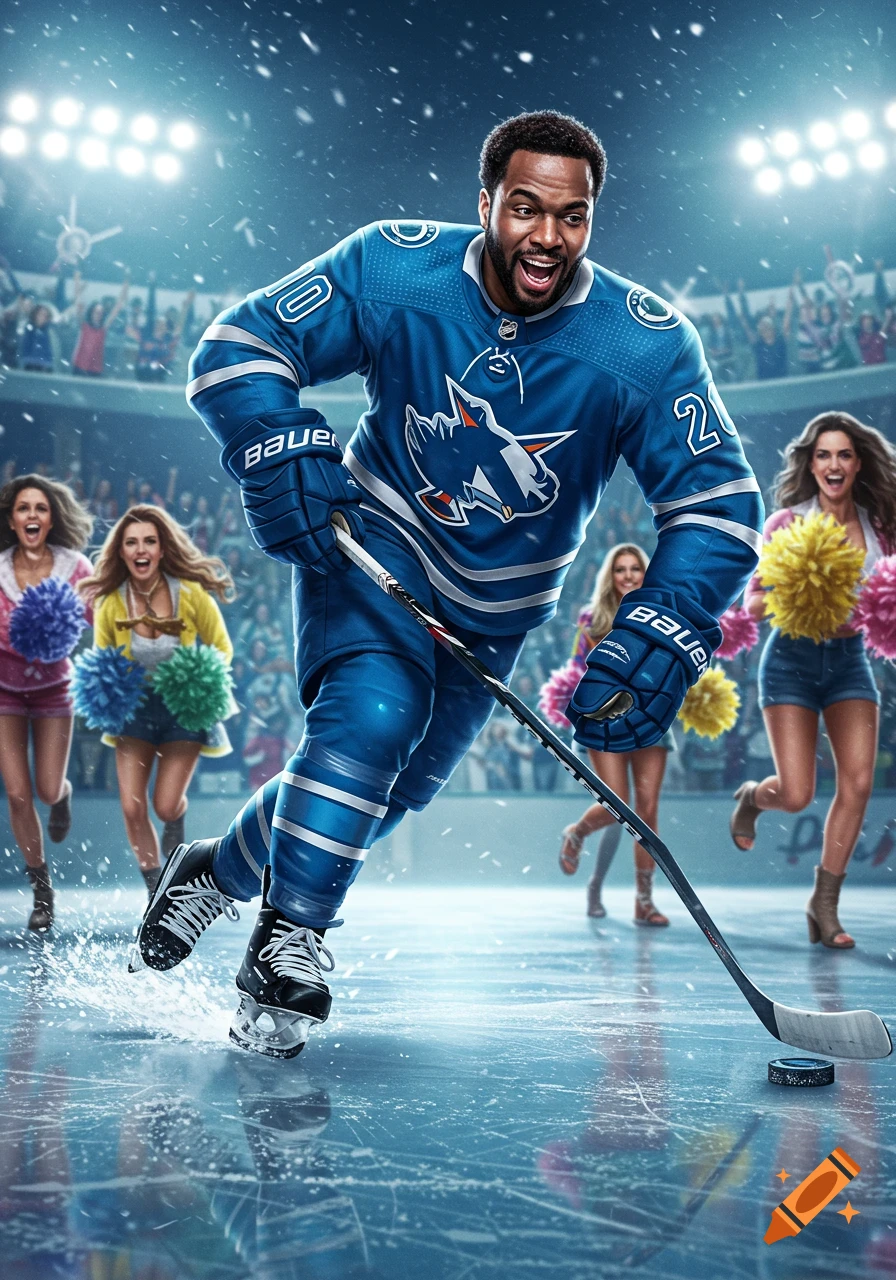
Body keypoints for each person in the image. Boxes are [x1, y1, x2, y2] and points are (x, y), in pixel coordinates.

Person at [133, 109, 763, 1059]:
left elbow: (719, 502)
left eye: (572, 215)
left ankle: (219, 871)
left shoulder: (646, 343)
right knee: (371, 722)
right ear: (484, 204)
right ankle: (285, 945)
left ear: (593, 220)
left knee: (383, 795)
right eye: (524, 207)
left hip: (498, 617)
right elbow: (239, 345)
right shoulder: (395, 266)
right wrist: (274, 440)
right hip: (376, 556)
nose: (546, 235)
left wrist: (671, 618)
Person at [730, 411, 896, 948]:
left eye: (844, 454)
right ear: (811, 463)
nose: (834, 464)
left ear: (858, 463)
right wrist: (794, 594)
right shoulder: (786, 524)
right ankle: (755, 797)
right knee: (798, 794)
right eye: (824, 454)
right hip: (790, 661)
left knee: (859, 784)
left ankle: (824, 906)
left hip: (849, 662)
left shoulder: (879, 529)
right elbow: (752, 600)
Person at [80, 506, 235, 897]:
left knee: (164, 806)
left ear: (162, 549)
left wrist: (199, 682)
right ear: (121, 552)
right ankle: (157, 890)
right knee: (132, 808)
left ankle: (176, 819)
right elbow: (103, 662)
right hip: (134, 708)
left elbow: (221, 648)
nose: (140, 548)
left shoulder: (192, 594)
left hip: (183, 706)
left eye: (149, 540)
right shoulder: (111, 602)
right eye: (131, 542)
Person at [558, 545, 675, 923]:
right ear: (611, 576)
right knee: (617, 805)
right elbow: (581, 672)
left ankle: (644, 901)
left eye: (635, 569)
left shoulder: (665, 614)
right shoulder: (591, 620)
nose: (628, 575)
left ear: (646, 573)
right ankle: (577, 832)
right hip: (605, 719)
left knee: (648, 811)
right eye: (621, 569)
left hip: (652, 720)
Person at [0, 476, 93, 930]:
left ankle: (64, 796)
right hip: (3, 691)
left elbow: (103, 615)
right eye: (23, 508)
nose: (31, 515)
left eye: (40, 508)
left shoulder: (75, 567)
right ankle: (42, 890)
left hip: (56, 689)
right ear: (12, 519)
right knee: (17, 795)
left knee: (46, 789)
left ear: (52, 517)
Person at [70, 271, 130, 377]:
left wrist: (126, 280)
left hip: (95, 370)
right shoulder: (83, 325)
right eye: (96, 311)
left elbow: (119, 304)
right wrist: (77, 277)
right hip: (79, 367)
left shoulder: (103, 328)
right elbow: (77, 300)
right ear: (91, 312)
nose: (98, 314)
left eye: (100, 312)